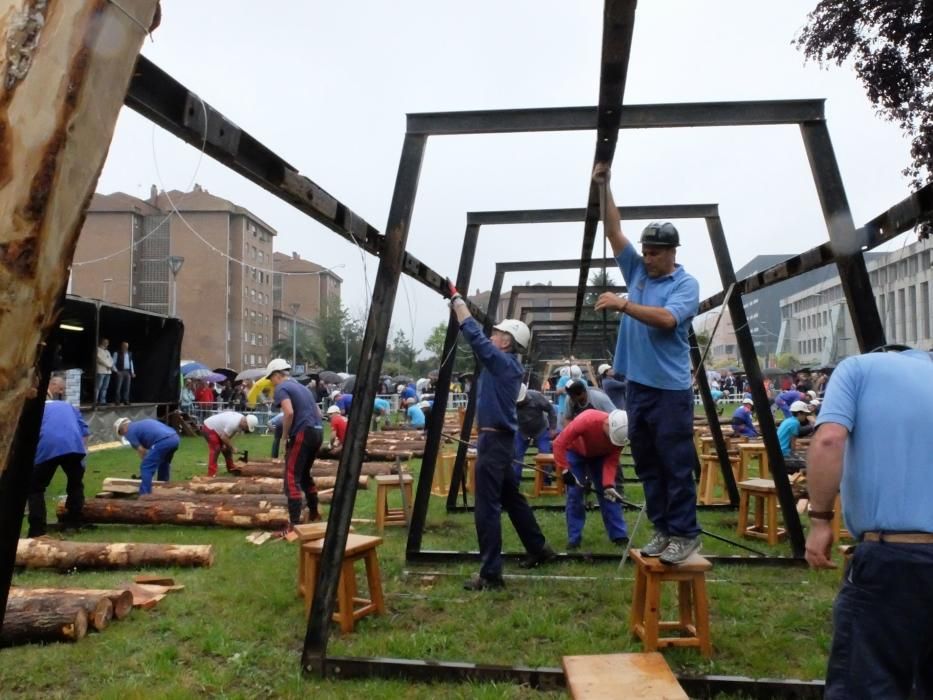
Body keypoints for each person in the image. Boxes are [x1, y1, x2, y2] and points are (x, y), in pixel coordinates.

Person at [804, 347, 933, 698]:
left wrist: (819, 519)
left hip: (894, 556)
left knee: (866, 682)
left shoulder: (857, 369)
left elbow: (829, 439)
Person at [593, 162, 701, 566]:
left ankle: (686, 533)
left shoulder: (684, 285)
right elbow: (614, 231)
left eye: (655, 253)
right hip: (638, 386)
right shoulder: (637, 269)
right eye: (646, 251)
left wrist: (623, 304)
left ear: (672, 252)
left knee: (674, 463)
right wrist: (605, 187)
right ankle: (662, 528)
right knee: (648, 463)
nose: (648, 258)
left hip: (669, 390)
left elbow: (668, 320)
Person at [448, 282, 556, 590]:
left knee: (487, 507)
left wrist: (458, 301)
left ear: (506, 342)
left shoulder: (502, 363)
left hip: (494, 442)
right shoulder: (506, 366)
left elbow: (475, 336)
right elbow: (481, 342)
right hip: (500, 441)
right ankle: (538, 548)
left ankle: (491, 574)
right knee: (512, 498)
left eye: (497, 333)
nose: (492, 336)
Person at [552, 409, 630, 550]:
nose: (611, 441)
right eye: (610, 437)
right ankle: (574, 538)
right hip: (575, 452)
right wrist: (564, 470)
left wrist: (607, 485)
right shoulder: (587, 420)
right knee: (575, 494)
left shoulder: (620, 437)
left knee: (609, 495)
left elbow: (611, 461)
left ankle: (619, 535)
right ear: (607, 424)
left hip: (600, 456)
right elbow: (559, 443)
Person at [265, 358, 324, 530]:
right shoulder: (303, 388)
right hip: (317, 431)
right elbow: (318, 413)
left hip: (302, 432)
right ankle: (314, 512)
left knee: (291, 476)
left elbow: (289, 413)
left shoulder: (281, 387)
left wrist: (285, 437)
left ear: (277, 375)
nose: (271, 382)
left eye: (271, 379)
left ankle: (294, 524)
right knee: (304, 474)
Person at [28, 391, 90, 537]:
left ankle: (37, 530)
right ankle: (73, 523)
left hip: (47, 447)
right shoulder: (68, 405)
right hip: (74, 445)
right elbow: (85, 432)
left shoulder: (35, 409)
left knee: (35, 488)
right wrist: (83, 457)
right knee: (75, 484)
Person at [114, 417, 179, 494]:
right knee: (163, 463)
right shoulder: (139, 425)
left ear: (123, 428)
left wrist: (145, 469)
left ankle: (145, 496)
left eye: (121, 433)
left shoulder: (129, 431)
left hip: (163, 441)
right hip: (175, 438)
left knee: (146, 467)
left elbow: (141, 450)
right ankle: (163, 488)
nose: (124, 435)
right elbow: (145, 450)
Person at [514, 383, 557, 481]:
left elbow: (551, 410)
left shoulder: (537, 396)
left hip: (540, 429)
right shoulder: (511, 400)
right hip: (522, 431)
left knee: (545, 454)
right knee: (516, 455)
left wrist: (553, 428)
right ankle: (515, 483)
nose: (519, 403)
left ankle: (546, 481)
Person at [200, 411, 258, 477]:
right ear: (245, 422)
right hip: (209, 428)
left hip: (219, 431)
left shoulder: (241, 421)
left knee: (227, 448)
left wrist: (228, 445)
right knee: (216, 449)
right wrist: (232, 447)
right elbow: (224, 437)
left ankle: (231, 468)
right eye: (247, 427)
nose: (246, 429)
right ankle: (211, 473)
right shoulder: (233, 422)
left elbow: (230, 434)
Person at [776, 400, 811, 473]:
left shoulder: (788, 420)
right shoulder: (795, 423)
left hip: (778, 452)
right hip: (784, 454)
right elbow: (792, 444)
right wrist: (797, 455)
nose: (806, 416)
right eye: (805, 414)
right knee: (808, 465)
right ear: (799, 413)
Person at [111, 341, 135, 405]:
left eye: (127, 346)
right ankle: (117, 401)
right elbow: (113, 363)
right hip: (120, 371)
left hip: (127, 372)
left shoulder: (129, 353)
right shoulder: (117, 353)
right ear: (121, 346)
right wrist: (116, 371)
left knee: (127, 387)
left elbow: (131, 363)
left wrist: (132, 372)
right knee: (118, 387)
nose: (126, 347)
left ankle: (126, 400)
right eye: (124, 346)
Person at [95, 338, 114, 405]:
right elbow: (98, 359)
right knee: (98, 386)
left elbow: (111, 360)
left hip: (108, 372)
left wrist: (111, 366)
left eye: (107, 342)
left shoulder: (107, 351)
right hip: (101, 371)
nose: (107, 344)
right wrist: (107, 365)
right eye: (105, 342)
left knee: (105, 387)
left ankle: (102, 401)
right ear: (102, 342)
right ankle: (95, 401)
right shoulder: (97, 349)